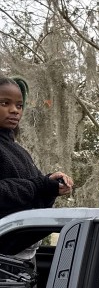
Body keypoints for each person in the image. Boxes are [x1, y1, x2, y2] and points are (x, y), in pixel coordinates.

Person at [0, 76, 73, 220]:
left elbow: (35, 197)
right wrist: (40, 185)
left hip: (23, 238)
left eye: (19, 105)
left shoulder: (20, 152)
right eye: (5, 103)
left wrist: (52, 186)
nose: (15, 110)